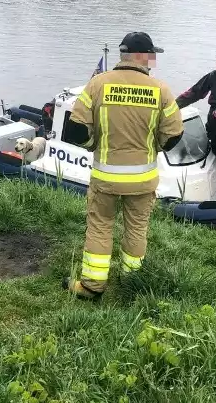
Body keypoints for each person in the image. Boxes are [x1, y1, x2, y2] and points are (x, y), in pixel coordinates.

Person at [62, 32, 184, 299]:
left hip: (106, 177)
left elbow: (76, 131)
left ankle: (92, 285)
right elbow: (174, 135)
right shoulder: (160, 90)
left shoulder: (98, 85)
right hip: (143, 179)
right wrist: (154, 146)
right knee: (137, 228)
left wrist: (94, 145)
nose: (153, 61)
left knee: (100, 226)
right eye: (152, 55)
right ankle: (132, 280)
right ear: (141, 56)